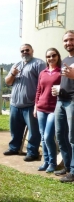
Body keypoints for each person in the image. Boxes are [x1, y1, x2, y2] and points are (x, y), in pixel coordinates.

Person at [3, 44, 46, 162]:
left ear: (32, 51)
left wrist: (39, 102)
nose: (25, 52)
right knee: (15, 129)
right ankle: (14, 148)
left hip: (30, 104)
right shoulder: (16, 65)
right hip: (15, 104)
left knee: (33, 131)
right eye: (22, 50)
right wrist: (12, 73)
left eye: (27, 50)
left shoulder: (38, 63)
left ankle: (32, 152)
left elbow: (44, 82)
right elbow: (7, 81)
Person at [34, 48, 61, 173]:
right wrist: (35, 107)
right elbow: (39, 91)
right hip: (41, 108)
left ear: (58, 56)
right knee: (43, 137)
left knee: (48, 136)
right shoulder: (42, 72)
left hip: (54, 109)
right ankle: (45, 161)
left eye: (53, 55)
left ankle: (53, 162)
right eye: (48, 56)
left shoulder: (61, 72)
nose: (51, 58)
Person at [52, 30, 74, 182]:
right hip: (61, 100)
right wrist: (59, 88)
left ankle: (73, 171)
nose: (68, 43)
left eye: (71, 40)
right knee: (60, 135)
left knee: (73, 137)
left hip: (72, 101)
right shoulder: (66, 58)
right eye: (66, 40)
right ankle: (67, 166)